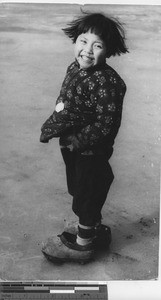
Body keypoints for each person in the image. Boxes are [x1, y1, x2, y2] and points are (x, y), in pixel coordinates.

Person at [40, 11, 128, 264]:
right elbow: (65, 100)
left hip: (90, 150)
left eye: (97, 45)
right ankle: (90, 226)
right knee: (79, 188)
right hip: (71, 145)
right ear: (74, 41)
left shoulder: (108, 82)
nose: (87, 50)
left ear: (109, 51)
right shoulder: (74, 68)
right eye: (83, 41)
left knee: (89, 191)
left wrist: (80, 140)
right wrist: (54, 126)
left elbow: (106, 123)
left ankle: (82, 245)